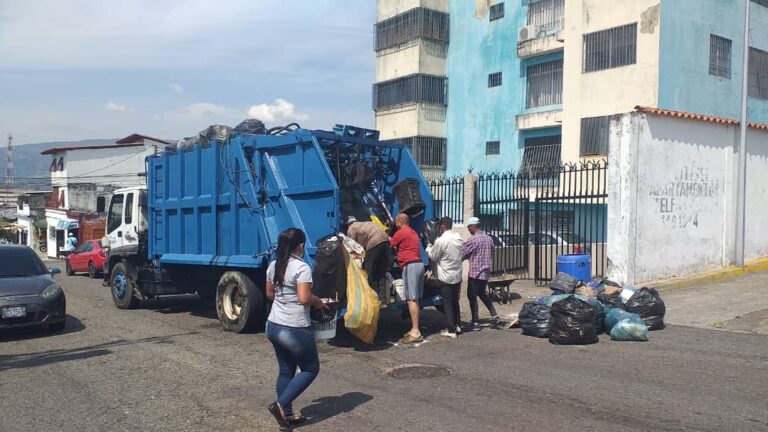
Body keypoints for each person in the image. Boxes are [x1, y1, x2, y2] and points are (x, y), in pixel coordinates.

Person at [265, 228, 328, 429]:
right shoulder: (301, 268)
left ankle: (287, 416)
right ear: (300, 246)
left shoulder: (274, 265)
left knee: (286, 371)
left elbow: (269, 294)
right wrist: (318, 302)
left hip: (273, 325)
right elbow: (304, 299)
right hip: (294, 328)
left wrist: (284, 302)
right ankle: (281, 405)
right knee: (310, 369)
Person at [427, 217, 464, 339]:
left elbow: (433, 256)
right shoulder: (458, 238)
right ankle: (458, 325)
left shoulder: (441, 241)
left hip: (446, 276)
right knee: (455, 301)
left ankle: (451, 330)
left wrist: (428, 247)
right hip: (457, 275)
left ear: (442, 226)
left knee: (447, 302)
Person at [390, 213, 424, 344]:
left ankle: (415, 331)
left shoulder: (401, 232)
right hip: (419, 264)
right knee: (415, 298)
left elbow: (390, 244)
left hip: (410, 265)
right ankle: (414, 329)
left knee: (411, 298)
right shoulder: (413, 232)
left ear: (399, 222)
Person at [462, 217, 501, 331]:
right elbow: (491, 253)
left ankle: (475, 322)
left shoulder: (473, 240)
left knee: (472, 296)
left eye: (469, 227)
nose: (468, 230)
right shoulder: (489, 239)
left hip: (474, 273)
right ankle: (495, 315)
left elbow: (462, 253)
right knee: (482, 293)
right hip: (485, 272)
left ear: (473, 227)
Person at [345, 216, 391, 301]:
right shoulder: (365, 223)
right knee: (381, 272)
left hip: (374, 242)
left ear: (348, 224)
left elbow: (351, 245)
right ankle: (383, 298)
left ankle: (372, 298)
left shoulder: (351, 228)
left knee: (368, 270)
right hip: (386, 241)